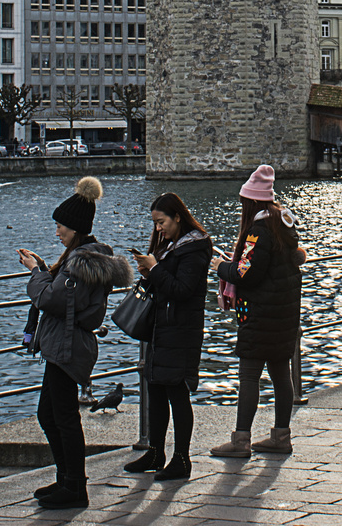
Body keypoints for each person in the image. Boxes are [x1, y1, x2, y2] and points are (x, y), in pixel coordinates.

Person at [19, 177, 133, 509]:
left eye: (61, 226)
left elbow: (51, 300)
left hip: (66, 345)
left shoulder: (82, 263)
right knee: (49, 414)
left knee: (63, 416)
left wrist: (35, 273)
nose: (57, 232)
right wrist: (43, 268)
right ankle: (67, 479)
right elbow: (63, 295)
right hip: (63, 343)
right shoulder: (82, 258)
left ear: (75, 228)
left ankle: (75, 488)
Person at [210, 164, 305, 458]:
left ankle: (240, 441)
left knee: (249, 376)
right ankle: (281, 436)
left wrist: (221, 267)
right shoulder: (282, 225)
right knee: (280, 374)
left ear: (251, 202)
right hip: (284, 315)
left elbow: (245, 274)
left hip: (260, 316)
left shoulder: (257, 232)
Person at [126, 193, 211, 481]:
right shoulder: (173, 245)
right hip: (163, 328)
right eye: (154, 223)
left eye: (161, 222)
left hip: (181, 330)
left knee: (177, 392)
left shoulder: (195, 248)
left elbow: (183, 289)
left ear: (177, 217)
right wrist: (148, 272)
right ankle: (156, 451)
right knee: (157, 390)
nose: (158, 228)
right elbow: (166, 285)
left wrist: (157, 268)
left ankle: (182, 459)